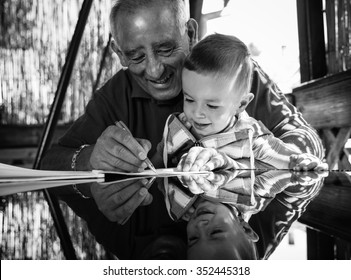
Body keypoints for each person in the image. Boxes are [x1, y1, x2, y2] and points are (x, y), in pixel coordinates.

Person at [41, 0, 325, 224]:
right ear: (118, 53)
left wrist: (277, 157)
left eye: (165, 48)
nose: (154, 70)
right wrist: (87, 160)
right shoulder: (115, 94)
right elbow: (46, 165)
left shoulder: (228, 74)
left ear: (190, 33)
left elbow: (305, 138)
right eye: (135, 56)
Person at [153, 33, 327, 172]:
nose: (196, 112)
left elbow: (281, 159)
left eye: (212, 105)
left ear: (241, 105)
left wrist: (298, 161)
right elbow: (159, 160)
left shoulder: (248, 136)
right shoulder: (178, 127)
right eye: (189, 99)